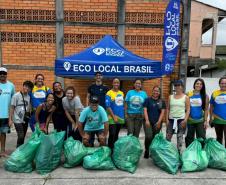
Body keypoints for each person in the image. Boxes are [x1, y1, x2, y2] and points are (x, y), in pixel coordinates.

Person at [166, 80, 190, 153]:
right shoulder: (170, 97)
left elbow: (188, 109)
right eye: (176, 86)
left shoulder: (186, 97)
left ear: (182, 87)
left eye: (179, 85)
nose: (177, 87)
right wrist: (166, 119)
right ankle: (167, 152)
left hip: (181, 120)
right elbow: (168, 108)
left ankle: (178, 152)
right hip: (171, 120)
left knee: (179, 138)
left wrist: (185, 120)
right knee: (168, 137)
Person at [143, 86, 166, 158]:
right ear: (152, 91)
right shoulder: (147, 100)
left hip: (157, 122)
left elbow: (163, 112)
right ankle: (147, 150)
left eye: (157, 91)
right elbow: (145, 110)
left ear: (159, 93)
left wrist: (159, 122)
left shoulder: (162, 101)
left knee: (154, 138)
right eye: (154, 90)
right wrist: (147, 120)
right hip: (148, 122)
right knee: (149, 136)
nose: (156, 92)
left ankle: (152, 152)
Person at [9, 80, 34, 147]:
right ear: (23, 86)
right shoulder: (16, 96)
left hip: (25, 119)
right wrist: (10, 120)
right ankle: (18, 150)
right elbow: (12, 108)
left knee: (23, 136)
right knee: (21, 135)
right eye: (26, 86)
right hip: (17, 119)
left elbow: (28, 107)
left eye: (29, 87)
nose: (27, 88)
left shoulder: (28, 97)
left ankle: (20, 150)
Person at [185, 78, 209, 147]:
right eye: (197, 83)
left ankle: (201, 154)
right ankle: (189, 154)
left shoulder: (205, 96)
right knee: (189, 138)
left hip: (200, 120)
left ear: (203, 86)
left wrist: (205, 121)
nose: (199, 85)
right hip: (190, 120)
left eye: (201, 84)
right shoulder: (188, 94)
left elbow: (206, 109)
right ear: (194, 84)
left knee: (201, 138)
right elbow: (185, 108)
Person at [106, 78, 125, 150]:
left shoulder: (121, 93)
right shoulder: (109, 93)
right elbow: (108, 106)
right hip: (112, 117)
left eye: (118, 83)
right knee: (112, 134)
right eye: (115, 82)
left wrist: (124, 114)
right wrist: (114, 117)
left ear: (119, 84)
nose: (116, 84)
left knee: (116, 134)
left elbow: (122, 105)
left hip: (120, 117)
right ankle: (110, 150)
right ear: (112, 83)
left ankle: (115, 151)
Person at [0, 67, 15, 157]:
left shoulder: (11, 85)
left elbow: (13, 102)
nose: (2, 75)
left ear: (6, 74)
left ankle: (2, 151)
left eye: (4, 73)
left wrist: (11, 118)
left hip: (5, 115)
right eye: (0, 73)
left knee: (3, 133)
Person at [210, 76, 226, 147]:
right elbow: (211, 107)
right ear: (219, 84)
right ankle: (220, 154)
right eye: (222, 83)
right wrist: (210, 118)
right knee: (219, 138)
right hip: (217, 120)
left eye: (225, 83)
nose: (223, 85)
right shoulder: (214, 93)